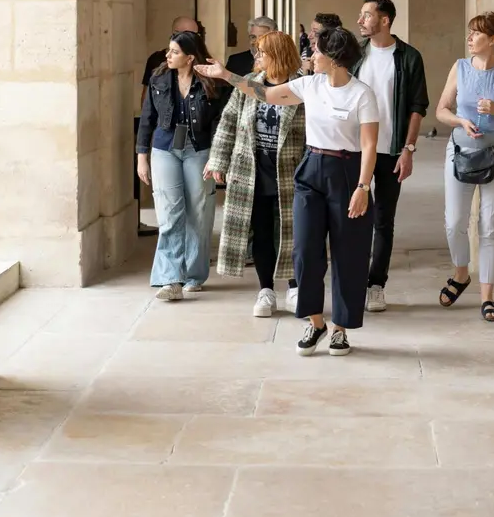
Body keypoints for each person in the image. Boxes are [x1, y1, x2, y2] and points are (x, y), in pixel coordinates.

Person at [197, 26, 378, 357]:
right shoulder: (309, 85)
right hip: (311, 169)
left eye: (318, 50)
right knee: (304, 250)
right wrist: (225, 75)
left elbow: (369, 145)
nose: (311, 55)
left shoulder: (361, 94)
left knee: (348, 254)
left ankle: (340, 329)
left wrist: (363, 186)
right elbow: (263, 94)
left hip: (348, 172)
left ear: (335, 58)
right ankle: (316, 323)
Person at [434, 11, 494, 322]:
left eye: (476, 33)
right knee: (454, 222)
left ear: (492, 40)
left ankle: (488, 297)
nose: (470, 38)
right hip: (459, 150)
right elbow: (441, 110)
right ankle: (461, 273)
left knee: (490, 225)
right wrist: (460, 121)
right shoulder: (459, 68)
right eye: (470, 32)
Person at [204, 31, 306, 317]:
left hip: (290, 170)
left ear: (278, 55)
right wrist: (218, 160)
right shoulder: (248, 84)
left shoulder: (301, 87)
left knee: (292, 231)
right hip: (253, 169)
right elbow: (228, 122)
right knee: (261, 232)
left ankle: (295, 286)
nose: (257, 57)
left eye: (262, 52)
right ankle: (266, 290)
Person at [137, 30, 228, 300]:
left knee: (199, 213)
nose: (168, 55)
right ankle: (170, 279)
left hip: (199, 150)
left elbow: (220, 121)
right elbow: (147, 118)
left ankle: (194, 275)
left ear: (190, 58)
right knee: (169, 213)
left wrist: (217, 155)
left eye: (174, 52)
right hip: (165, 148)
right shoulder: (158, 77)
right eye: (169, 50)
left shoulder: (211, 82)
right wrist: (142, 156)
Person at [353, 0, 428, 313]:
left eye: (367, 15)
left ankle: (376, 285)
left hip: (391, 150)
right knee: (354, 217)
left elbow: (417, 107)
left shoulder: (409, 57)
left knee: (383, 220)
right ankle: (353, 281)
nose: (360, 20)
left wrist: (408, 149)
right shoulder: (355, 54)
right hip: (355, 150)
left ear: (385, 20)